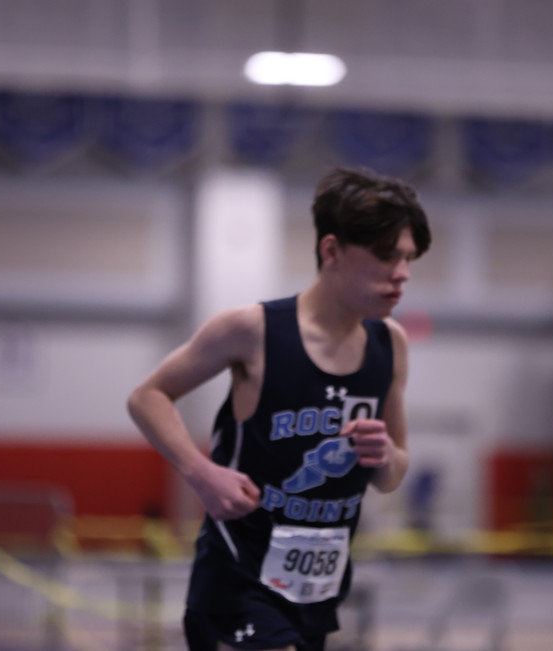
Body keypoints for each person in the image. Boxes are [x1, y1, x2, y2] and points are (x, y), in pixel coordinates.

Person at [127, 166, 431, 651]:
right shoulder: (253, 330)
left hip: (316, 591)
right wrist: (201, 474)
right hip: (237, 582)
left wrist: (384, 455)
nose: (402, 274)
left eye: (408, 259)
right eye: (384, 255)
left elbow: (392, 475)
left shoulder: (389, 344)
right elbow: (148, 396)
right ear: (331, 250)